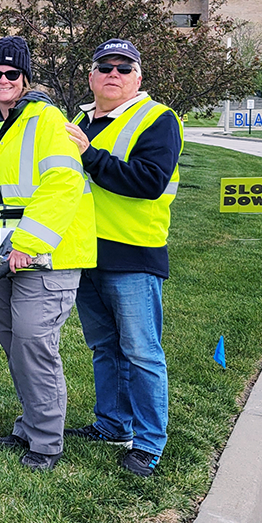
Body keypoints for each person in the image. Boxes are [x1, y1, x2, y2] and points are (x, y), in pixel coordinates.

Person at [0, 36, 96, 472]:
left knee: (33, 345)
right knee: (14, 346)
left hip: (44, 258)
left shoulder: (47, 121)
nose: (3, 80)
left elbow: (62, 185)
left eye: (12, 74)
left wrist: (26, 243)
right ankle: (28, 425)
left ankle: (45, 444)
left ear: (25, 79)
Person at [62, 39, 181, 478]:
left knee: (141, 352)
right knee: (104, 348)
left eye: (124, 67)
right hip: (84, 251)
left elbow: (149, 181)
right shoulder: (78, 120)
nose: (114, 73)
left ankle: (149, 444)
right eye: (104, 66)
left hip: (132, 253)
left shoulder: (157, 118)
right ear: (91, 76)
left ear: (138, 78)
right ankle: (112, 426)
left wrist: (89, 156)